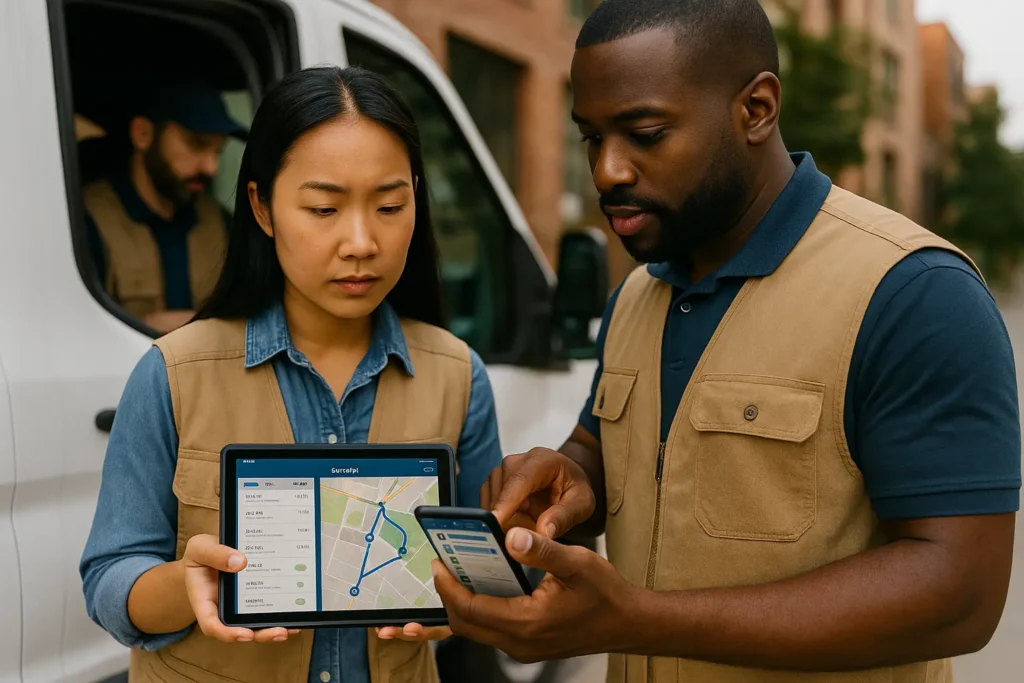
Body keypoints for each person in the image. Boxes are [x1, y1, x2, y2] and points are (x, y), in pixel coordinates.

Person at [435, 1, 1021, 682]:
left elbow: (959, 595)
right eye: (591, 138)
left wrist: (633, 618)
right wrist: (573, 477)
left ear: (756, 109)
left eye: (645, 134)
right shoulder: (635, 294)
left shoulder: (915, 293)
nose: (607, 171)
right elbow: (610, 446)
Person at [80, 66, 502, 683]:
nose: (360, 242)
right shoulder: (173, 372)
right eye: (324, 208)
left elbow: (491, 574)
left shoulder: (459, 376)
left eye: (390, 206)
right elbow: (109, 577)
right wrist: (185, 584)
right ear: (262, 207)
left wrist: (468, 604)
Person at [82, 79, 245, 333]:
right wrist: (145, 326)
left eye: (218, 151)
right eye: (197, 144)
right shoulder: (87, 223)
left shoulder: (221, 224)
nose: (211, 167)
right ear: (142, 134)